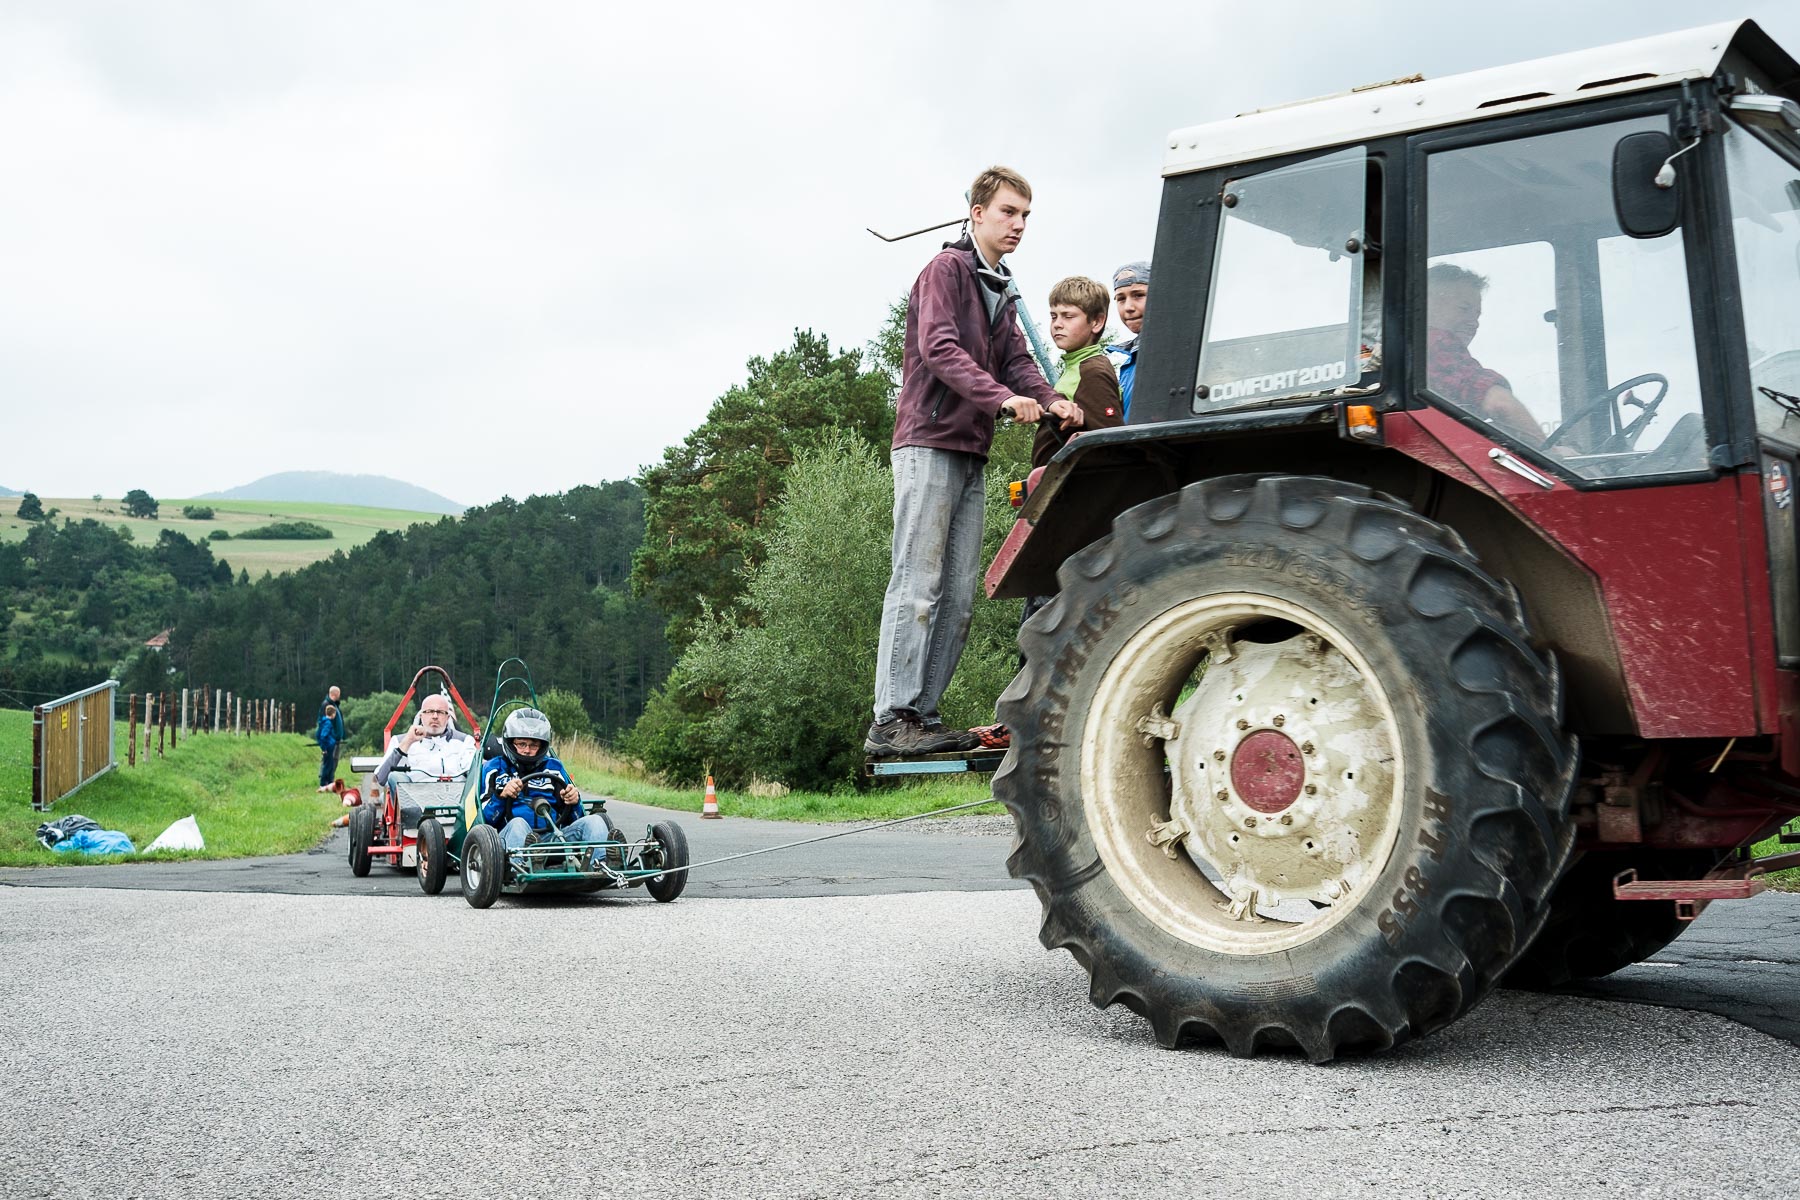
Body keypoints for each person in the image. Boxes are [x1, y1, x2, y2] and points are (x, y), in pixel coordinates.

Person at [866, 165, 1080, 758]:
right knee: (917, 584)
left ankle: (923, 720)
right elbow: (939, 349)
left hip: (970, 450)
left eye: (1026, 216)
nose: (1018, 225)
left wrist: (1051, 399)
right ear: (978, 211)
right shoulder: (946, 271)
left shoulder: (1000, 284)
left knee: (960, 594)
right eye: (1009, 212)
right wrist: (1001, 400)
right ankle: (892, 719)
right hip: (928, 441)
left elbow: (1016, 358)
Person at [1425, 264, 1542, 442]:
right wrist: (1549, 452)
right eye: (1463, 309)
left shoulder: (1415, 346)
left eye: (1477, 315)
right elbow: (1500, 403)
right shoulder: (1437, 342)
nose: (1474, 323)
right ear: (1428, 303)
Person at [478, 707, 616, 855]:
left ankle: (604, 865)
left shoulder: (554, 767)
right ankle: (523, 866)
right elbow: (483, 820)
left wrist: (573, 802)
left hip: (552, 838)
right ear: (511, 742)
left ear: (542, 746)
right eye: (522, 744)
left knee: (594, 821)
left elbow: (576, 819)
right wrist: (502, 796)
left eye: (534, 745)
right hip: (506, 839)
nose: (527, 750)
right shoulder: (494, 768)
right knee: (518, 823)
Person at [1033, 275, 1124, 470]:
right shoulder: (1075, 368)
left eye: (1068, 316)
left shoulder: (1092, 371)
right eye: (1054, 316)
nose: (1057, 323)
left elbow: (1110, 441)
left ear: (1097, 322)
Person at [372, 693, 476, 825]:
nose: (434, 716)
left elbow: (474, 772)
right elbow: (381, 778)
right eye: (430, 711)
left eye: (440, 712)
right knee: (395, 776)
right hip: (417, 811)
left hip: (458, 809)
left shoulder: (464, 741)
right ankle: (415, 828)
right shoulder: (401, 741)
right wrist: (408, 742)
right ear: (421, 715)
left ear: (447, 717)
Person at [1107, 261, 1150, 419]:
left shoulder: (1172, 352)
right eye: (1121, 299)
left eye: (1138, 295)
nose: (1128, 307)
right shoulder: (1130, 362)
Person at [315, 704, 341, 792]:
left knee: (329, 765)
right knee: (328, 766)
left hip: (328, 746)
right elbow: (323, 736)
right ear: (333, 714)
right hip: (328, 748)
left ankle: (330, 784)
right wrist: (324, 748)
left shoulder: (323, 722)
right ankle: (323, 784)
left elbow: (318, 735)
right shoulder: (328, 723)